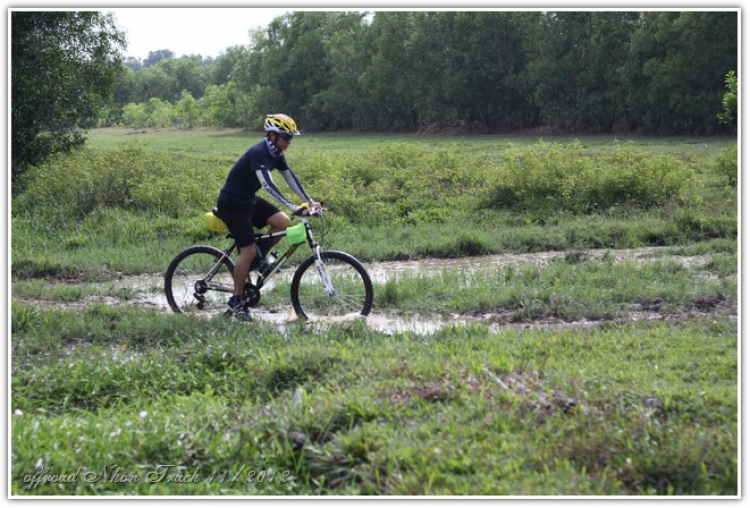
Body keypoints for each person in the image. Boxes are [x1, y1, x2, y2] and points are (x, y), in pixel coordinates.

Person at [215, 113, 319, 321]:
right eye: (286, 138)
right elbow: (267, 184)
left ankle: (256, 260)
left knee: (283, 222)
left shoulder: (277, 153)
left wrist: (309, 200)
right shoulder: (260, 152)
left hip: (248, 200)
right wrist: (292, 205)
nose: (289, 142)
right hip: (232, 204)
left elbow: (290, 177)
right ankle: (236, 301)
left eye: (291, 138)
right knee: (248, 250)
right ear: (272, 135)